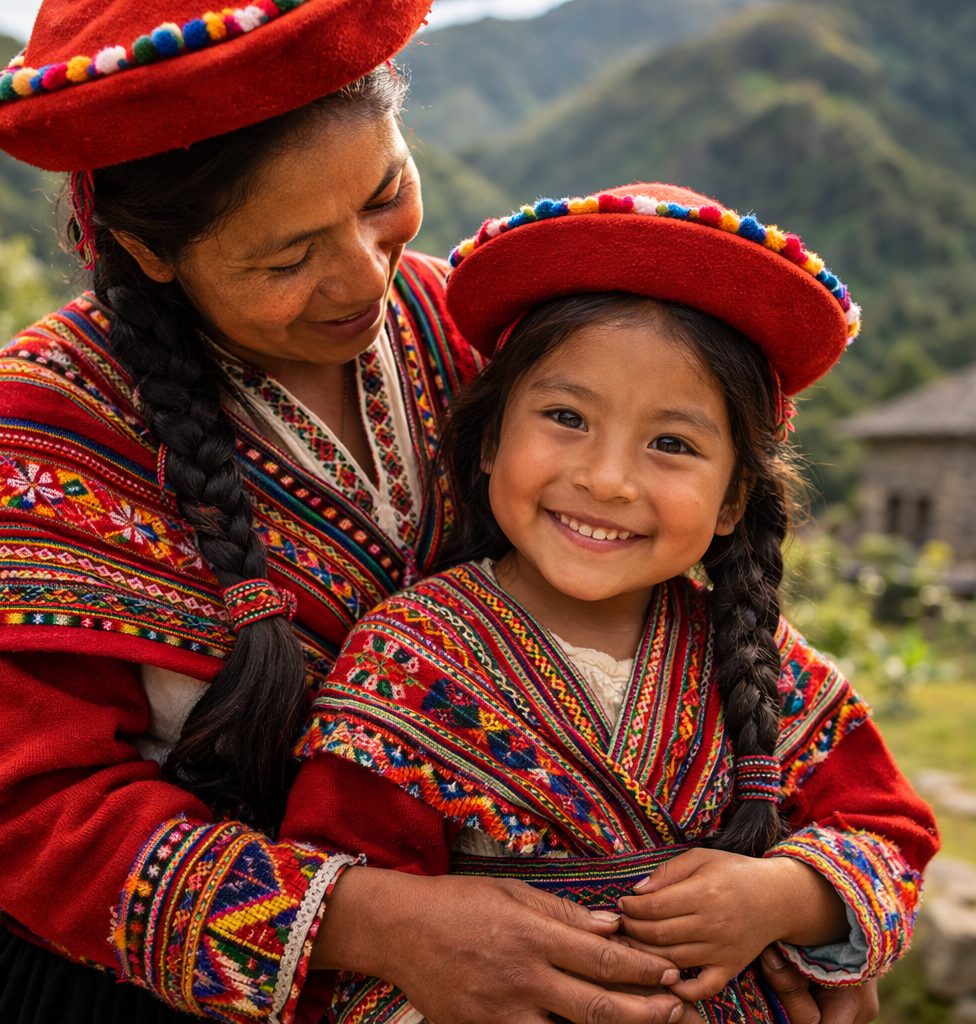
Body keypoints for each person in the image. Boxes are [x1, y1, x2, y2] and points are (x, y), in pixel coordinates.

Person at [285, 184, 940, 1024]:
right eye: (566, 416)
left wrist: (788, 894)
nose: (607, 479)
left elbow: (889, 834)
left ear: (735, 497)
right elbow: (343, 907)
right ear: (490, 440)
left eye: (672, 444)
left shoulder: (755, 659)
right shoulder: (413, 655)